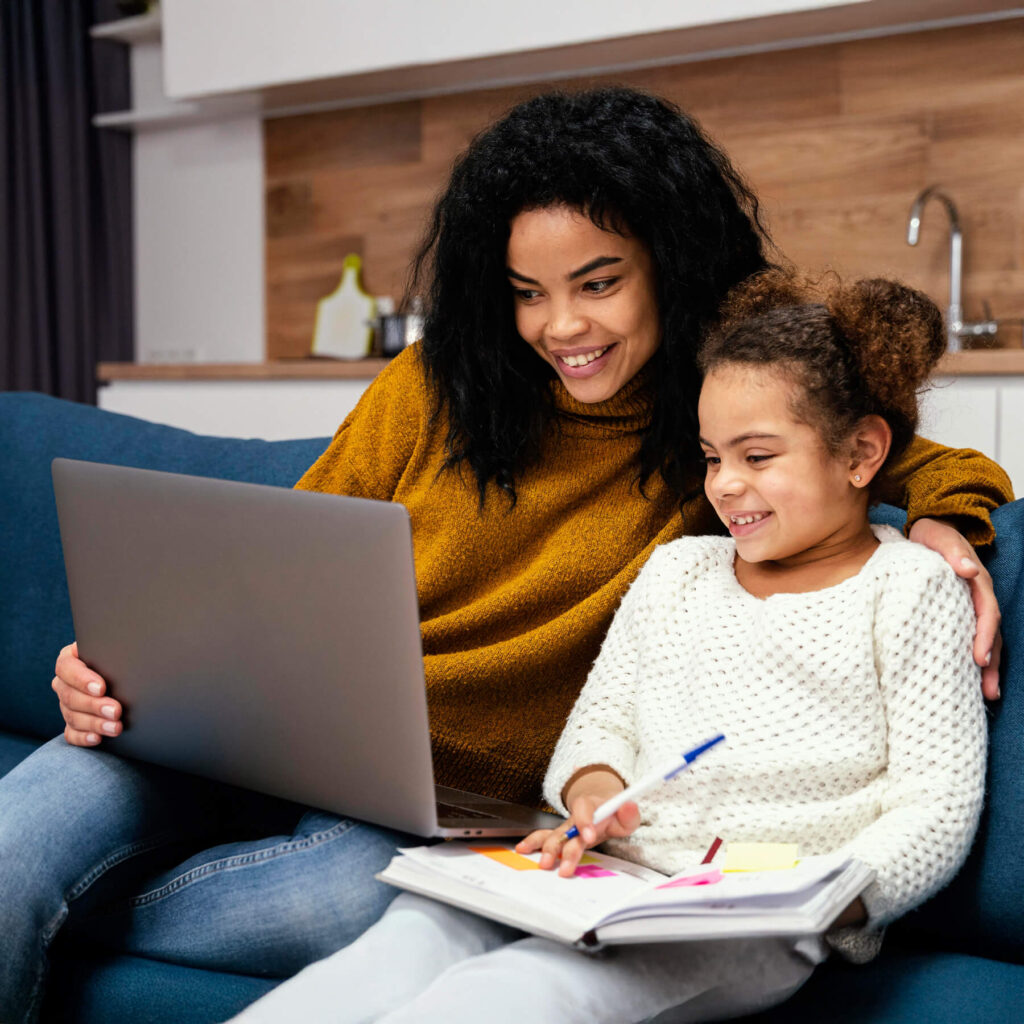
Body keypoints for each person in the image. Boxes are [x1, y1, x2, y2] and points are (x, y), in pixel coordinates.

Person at [0, 87, 1008, 1024]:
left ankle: (53, 917)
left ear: (674, 263)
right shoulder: (433, 386)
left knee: (355, 906)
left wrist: (945, 523)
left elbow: (899, 446)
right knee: (12, 849)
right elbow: (265, 570)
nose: (560, 326)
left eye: (598, 282)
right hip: (230, 726)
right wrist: (119, 661)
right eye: (528, 292)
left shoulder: (714, 435)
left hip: (418, 813)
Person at [229, 271, 987, 1024]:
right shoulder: (679, 570)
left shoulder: (910, 588)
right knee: (407, 937)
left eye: (757, 457)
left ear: (861, 455)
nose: (724, 485)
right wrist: (593, 792)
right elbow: (600, 723)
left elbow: (938, 806)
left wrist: (832, 894)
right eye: (711, 456)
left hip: (752, 919)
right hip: (603, 877)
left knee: (513, 994)